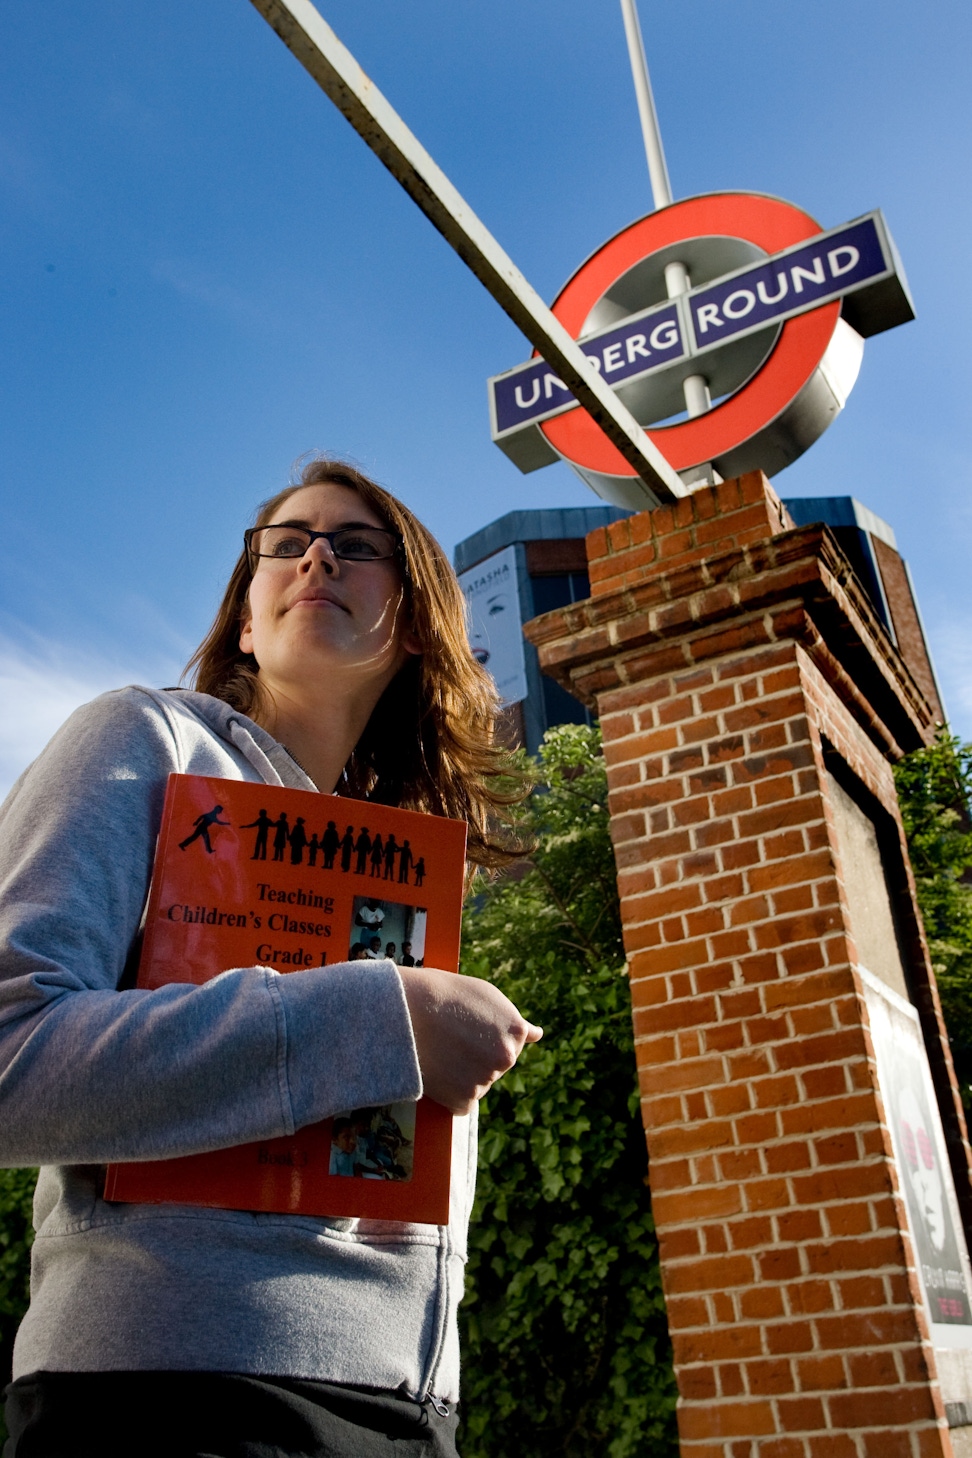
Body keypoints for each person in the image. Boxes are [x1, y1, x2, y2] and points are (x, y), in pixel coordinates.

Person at [0, 455, 541, 1458]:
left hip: (408, 1409)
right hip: (170, 1399)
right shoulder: (144, 737)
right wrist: (379, 1018)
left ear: (414, 624)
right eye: (285, 544)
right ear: (247, 621)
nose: (317, 555)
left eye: (356, 545)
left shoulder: (407, 871)